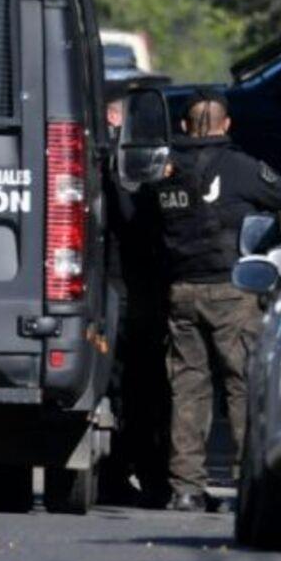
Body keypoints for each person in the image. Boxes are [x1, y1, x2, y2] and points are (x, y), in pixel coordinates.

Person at [148, 89, 281, 512]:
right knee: (241, 387)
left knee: (187, 388)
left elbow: (146, 220)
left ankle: (186, 489)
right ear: (226, 125)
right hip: (232, 293)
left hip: (180, 291)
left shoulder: (164, 171)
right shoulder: (241, 167)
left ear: (183, 125)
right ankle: (245, 482)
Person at [101, 91, 171, 506]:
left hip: (121, 288)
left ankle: (134, 472)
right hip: (126, 289)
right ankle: (128, 473)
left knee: (135, 387)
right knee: (137, 388)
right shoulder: (121, 165)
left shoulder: (109, 160)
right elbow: (132, 220)